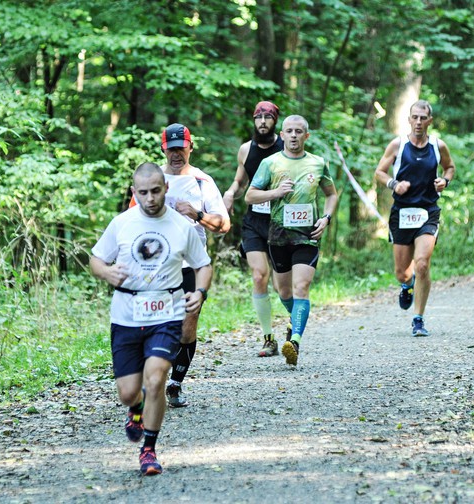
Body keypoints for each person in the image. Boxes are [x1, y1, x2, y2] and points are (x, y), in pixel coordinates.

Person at [90, 162, 212, 476]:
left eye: (156, 191)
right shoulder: (122, 223)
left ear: (166, 189)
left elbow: (203, 264)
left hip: (167, 313)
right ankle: (135, 407)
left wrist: (200, 292)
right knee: (129, 392)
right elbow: (96, 259)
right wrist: (107, 272)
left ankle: (149, 450)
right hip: (126, 315)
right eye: (143, 192)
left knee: (156, 379)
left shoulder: (182, 225)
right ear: (134, 193)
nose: (150, 198)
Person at [143, 123, 229, 407]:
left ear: (191, 148)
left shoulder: (203, 182)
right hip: (156, 265)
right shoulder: (151, 179)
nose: (176, 153)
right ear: (163, 149)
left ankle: (175, 383)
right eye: (171, 148)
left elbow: (224, 225)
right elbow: (132, 217)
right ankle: (153, 378)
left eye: (182, 148)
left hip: (192, 265)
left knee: (187, 326)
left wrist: (197, 213)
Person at [245, 115, 338, 366]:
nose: (294, 135)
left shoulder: (318, 163)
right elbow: (250, 196)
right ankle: (295, 318)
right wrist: (276, 192)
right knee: (284, 291)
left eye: (299, 131)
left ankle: (294, 341)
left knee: (301, 288)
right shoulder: (270, 163)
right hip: (277, 237)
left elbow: (331, 194)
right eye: (289, 131)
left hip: (307, 237)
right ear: (282, 135)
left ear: (306, 136)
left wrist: (326, 218)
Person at [374, 99, 456, 337]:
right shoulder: (397, 145)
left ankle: (418, 319)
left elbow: (450, 167)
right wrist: (394, 183)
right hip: (402, 213)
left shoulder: (437, 146)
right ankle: (406, 286)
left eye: (423, 118)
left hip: (428, 212)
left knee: (422, 263)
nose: (419, 122)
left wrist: (445, 181)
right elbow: (379, 172)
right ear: (409, 119)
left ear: (430, 121)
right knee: (403, 271)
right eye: (415, 117)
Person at [223, 101, 285, 357]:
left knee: (284, 286)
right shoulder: (245, 150)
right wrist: (229, 194)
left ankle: (294, 330)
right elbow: (240, 181)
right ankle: (268, 338)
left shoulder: (286, 146)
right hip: (254, 222)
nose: (262, 121)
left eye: (267, 117)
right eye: (258, 117)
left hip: (282, 221)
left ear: (275, 121)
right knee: (260, 275)